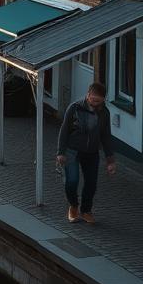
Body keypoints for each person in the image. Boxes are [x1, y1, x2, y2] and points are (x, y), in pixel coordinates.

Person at [57, 83, 116, 224]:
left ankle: (86, 211)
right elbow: (64, 130)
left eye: (98, 101)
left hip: (92, 152)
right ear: (88, 95)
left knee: (91, 183)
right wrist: (61, 152)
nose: (95, 103)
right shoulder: (75, 108)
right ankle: (73, 206)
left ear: (103, 99)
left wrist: (110, 160)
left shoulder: (104, 113)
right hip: (72, 150)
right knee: (72, 181)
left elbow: (106, 136)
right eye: (93, 99)